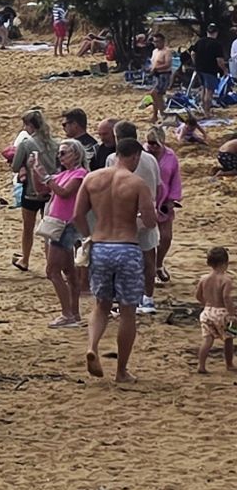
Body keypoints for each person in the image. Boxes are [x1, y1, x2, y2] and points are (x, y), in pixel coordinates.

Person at [74, 136, 160, 382]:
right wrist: (137, 222)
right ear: (135, 157)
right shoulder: (137, 183)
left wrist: (88, 236)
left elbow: (77, 214)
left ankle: (92, 346)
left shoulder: (93, 178)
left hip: (100, 245)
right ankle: (121, 370)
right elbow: (151, 221)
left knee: (101, 306)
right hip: (127, 247)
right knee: (128, 311)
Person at [30, 139, 90, 327]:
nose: (60, 156)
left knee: (53, 270)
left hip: (66, 225)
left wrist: (46, 177)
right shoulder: (65, 173)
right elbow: (43, 190)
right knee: (69, 272)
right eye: (60, 153)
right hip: (60, 224)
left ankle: (67, 314)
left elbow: (64, 193)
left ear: (76, 154)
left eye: (64, 153)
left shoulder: (80, 174)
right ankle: (74, 312)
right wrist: (36, 171)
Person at [9, 110, 58, 273]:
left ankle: (26, 259)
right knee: (48, 231)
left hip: (31, 190)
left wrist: (22, 165)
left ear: (30, 125)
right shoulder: (54, 143)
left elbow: (15, 166)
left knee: (28, 229)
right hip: (51, 189)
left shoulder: (26, 143)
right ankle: (50, 263)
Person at [146, 126, 183, 285]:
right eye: (150, 143)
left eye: (155, 144)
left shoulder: (170, 156)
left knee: (166, 237)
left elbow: (175, 179)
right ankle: (150, 268)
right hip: (146, 200)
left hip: (163, 200)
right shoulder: (142, 154)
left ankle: (158, 263)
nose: (152, 147)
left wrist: (172, 199)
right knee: (149, 239)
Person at [194, 248, 234, 374]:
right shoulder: (226, 280)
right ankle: (229, 364)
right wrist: (232, 313)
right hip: (221, 312)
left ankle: (201, 365)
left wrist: (205, 304)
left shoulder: (204, 279)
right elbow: (226, 298)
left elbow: (198, 296)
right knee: (228, 338)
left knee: (207, 340)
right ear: (225, 263)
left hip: (207, 312)